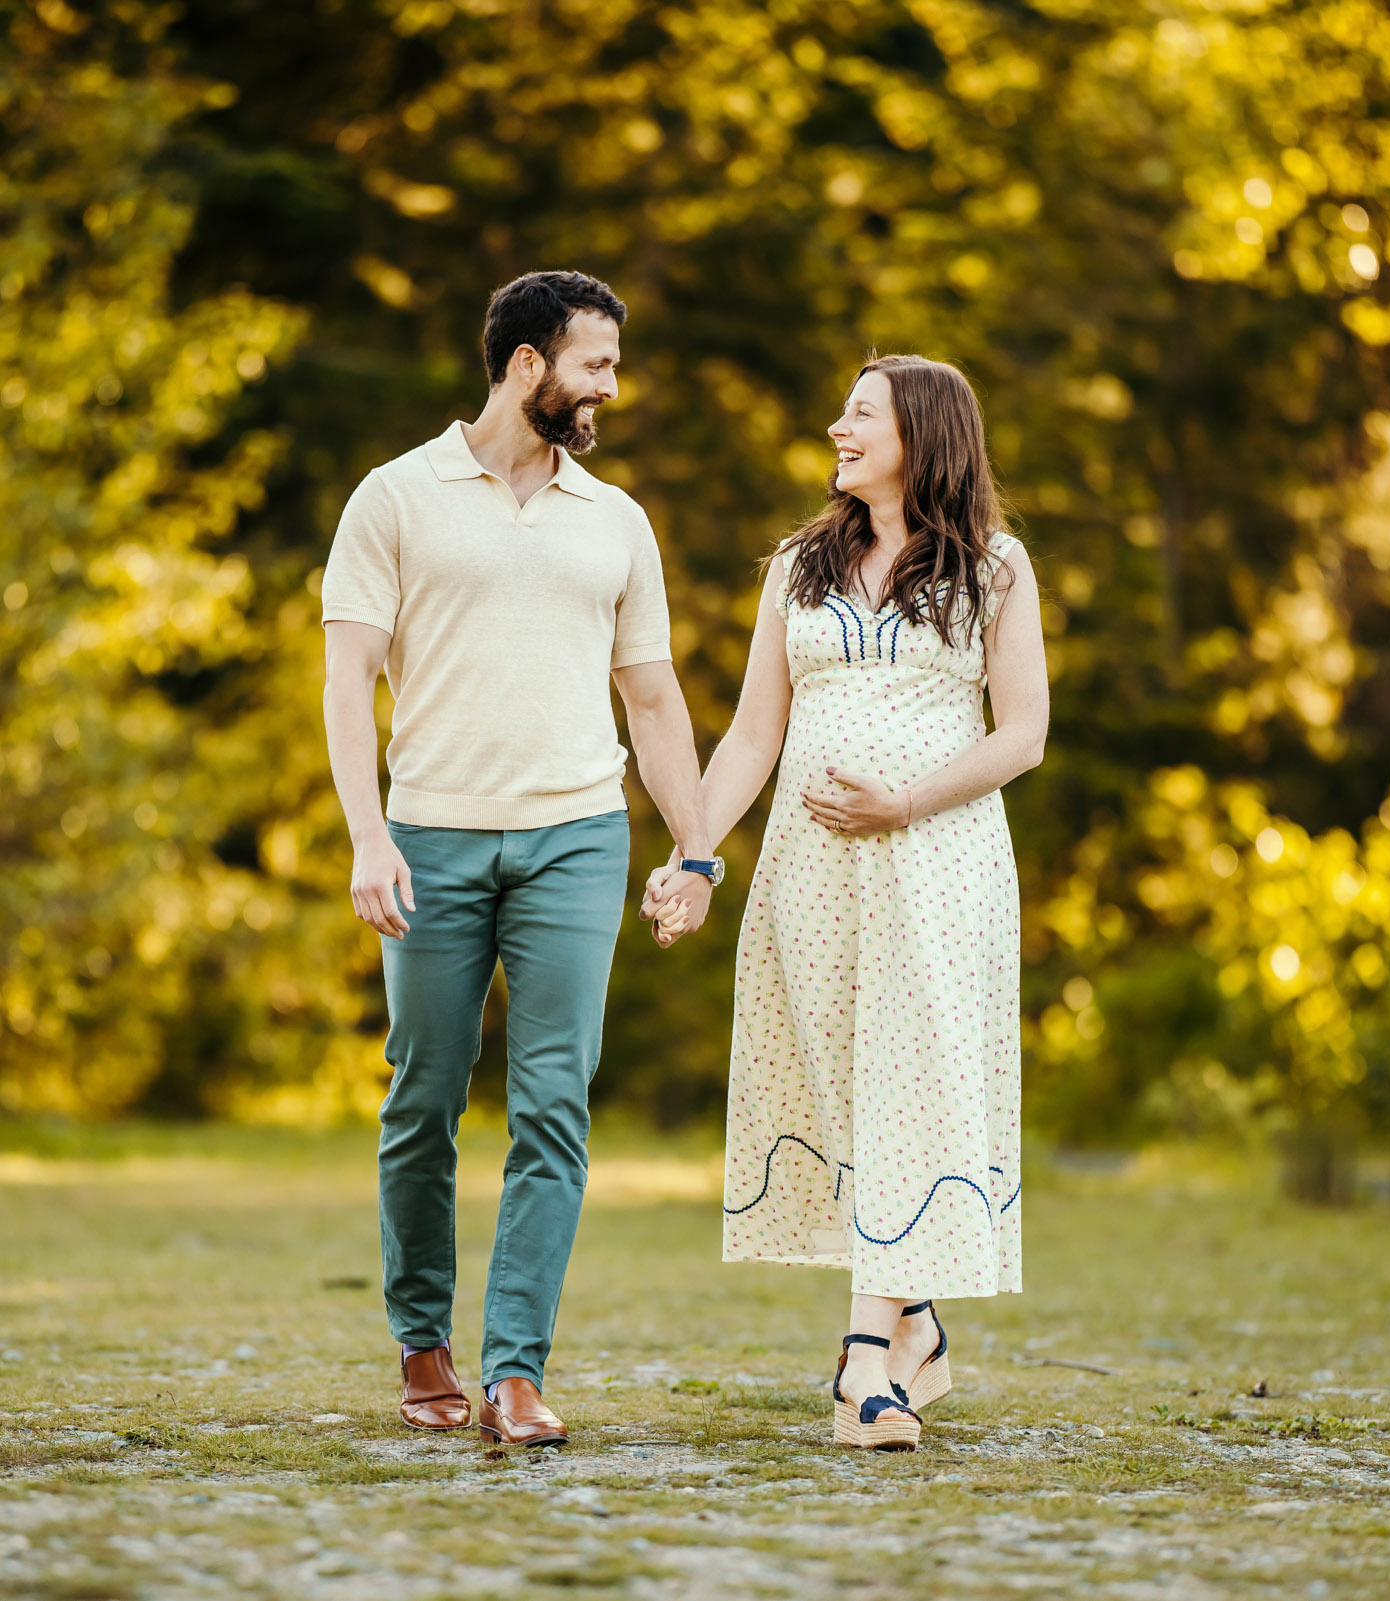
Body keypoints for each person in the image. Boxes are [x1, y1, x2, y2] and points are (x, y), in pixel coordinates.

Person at [321, 270, 717, 1449]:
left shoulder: (617, 519)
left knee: (554, 1106)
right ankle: (423, 1342)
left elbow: (651, 698)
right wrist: (367, 832)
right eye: (595, 363)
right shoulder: (395, 497)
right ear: (528, 364)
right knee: (423, 1095)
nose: (610, 387)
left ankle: (516, 1370)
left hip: (579, 838)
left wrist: (695, 848)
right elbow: (348, 678)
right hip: (432, 836)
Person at [642, 354, 1047, 1451]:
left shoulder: (996, 569)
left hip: (939, 867)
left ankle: (866, 1360)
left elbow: (1022, 733)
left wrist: (904, 801)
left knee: (906, 1082)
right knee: (841, 1088)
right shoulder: (796, 566)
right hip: (810, 877)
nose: (836, 428)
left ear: (924, 431)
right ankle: (916, 1319)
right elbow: (754, 736)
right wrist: (695, 856)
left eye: (860, 414)